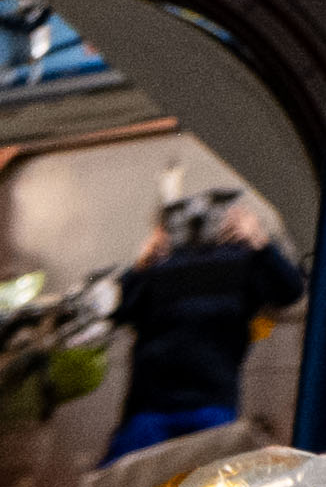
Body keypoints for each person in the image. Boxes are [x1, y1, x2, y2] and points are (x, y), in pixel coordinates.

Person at [106, 181, 304, 456]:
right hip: (150, 409)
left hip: (210, 403)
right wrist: (142, 264)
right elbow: (116, 311)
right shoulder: (159, 266)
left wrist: (259, 242)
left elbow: (289, 291)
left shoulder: (242, 260)